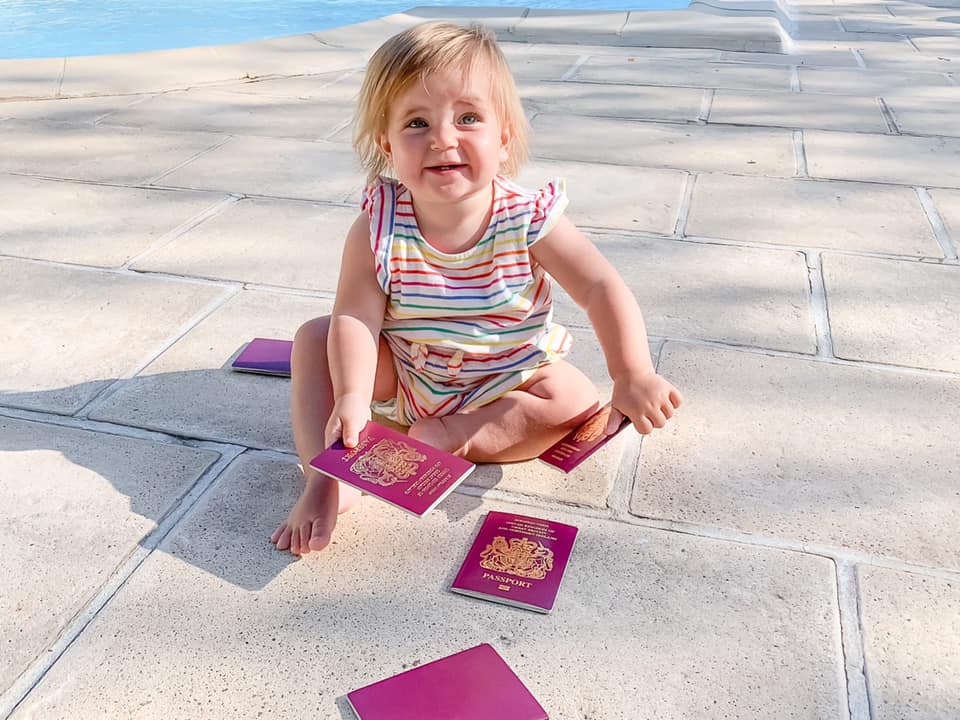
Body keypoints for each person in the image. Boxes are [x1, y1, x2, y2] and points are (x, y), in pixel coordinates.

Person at [271, 20, 682, 556]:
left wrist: (633, 373)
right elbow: (355, 315)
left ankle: (457, 435)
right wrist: (351, 397)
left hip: (503, 378)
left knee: (574, 398)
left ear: (504, 135)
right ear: (386, 144)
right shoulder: (379, 224)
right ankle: (326, 479)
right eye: (417, 122)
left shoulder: (529, 217)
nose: (444, 137)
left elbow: (600, 286)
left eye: (468, 117)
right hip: (408, 373)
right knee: (314, 337)